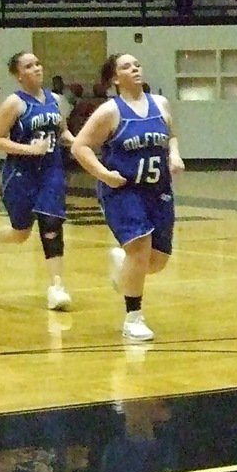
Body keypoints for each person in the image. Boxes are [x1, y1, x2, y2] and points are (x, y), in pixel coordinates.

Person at [71, 54, 184, 343]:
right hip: (124, 190)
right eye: (126, 66)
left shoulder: (160, 104)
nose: (134, 68)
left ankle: (123, 265)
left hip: (158, 189)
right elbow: (80, 147)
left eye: (137, 64)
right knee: (140, 247)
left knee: (157, 261)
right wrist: (104, 174)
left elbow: (170, 134)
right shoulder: (110, 111)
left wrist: (174, 154)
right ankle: (133, 318)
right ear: (114, 79)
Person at [0, 53, 74, 311]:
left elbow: (63, 132)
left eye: (38, 63)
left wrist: (80, 143)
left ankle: (56, 287)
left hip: (51, 170)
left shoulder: (57, 101)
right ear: (18, 75)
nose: (36, 68)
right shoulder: (14, 104)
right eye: (29, 66)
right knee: (20, 233)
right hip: (20, 174)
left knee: (51, 223)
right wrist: (28, 149)